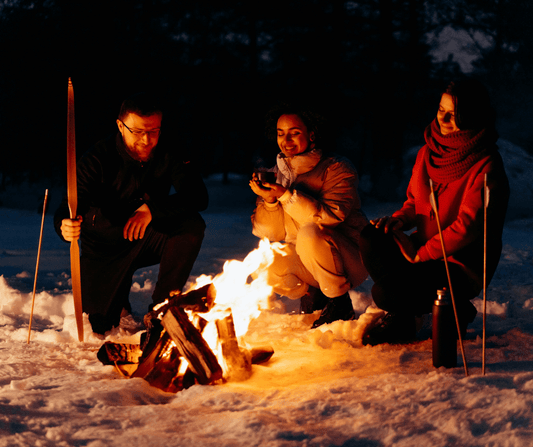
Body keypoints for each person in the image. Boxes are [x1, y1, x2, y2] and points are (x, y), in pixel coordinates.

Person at [360, 79, 510, 346]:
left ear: (472, 115)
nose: (445, 118)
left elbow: (468, 226)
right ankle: (404, 319)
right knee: (371, 236)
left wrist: (421, 254)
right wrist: (397, 221)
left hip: (460, 264)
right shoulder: (428, 152)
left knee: (384, 293)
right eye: (442, 109)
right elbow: (414, 202)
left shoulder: (486, 163)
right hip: (425, 250)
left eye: (455, 113)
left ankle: (456, 308)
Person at [54, 92, 208, 335]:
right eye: (137, 131)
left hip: (147, 236)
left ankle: (162, 309)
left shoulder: (170, 151)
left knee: (191, 226)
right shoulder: (97, 158)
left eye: (154, 131)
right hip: (105, 247)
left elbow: (198, 196)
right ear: (120, 126)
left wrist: (152, 210)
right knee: (100, 326)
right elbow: (70, 206)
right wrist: (64, 225)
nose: (146, 139)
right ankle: (116, 296)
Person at [249, 103, 368, 328]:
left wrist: (286, 196)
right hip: (308, 259)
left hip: (348, 256)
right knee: (263, 262)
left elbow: (332, 216)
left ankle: (339, 302)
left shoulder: (336, 168)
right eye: (281, 133)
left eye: (295, 133)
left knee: (310, 234)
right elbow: (270, 233)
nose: (287, 140)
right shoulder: (278, 174)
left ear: (311, 135)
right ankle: (315, 294)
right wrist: (270, 201)